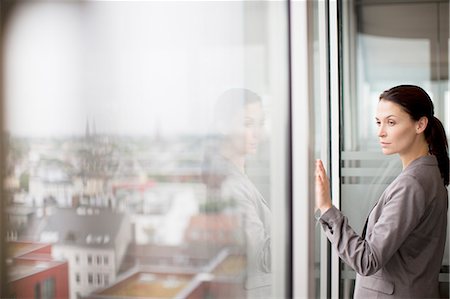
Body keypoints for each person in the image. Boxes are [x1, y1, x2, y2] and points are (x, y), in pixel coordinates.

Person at [315, 85, 449, 298]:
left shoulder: (413, 183)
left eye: (391, 122)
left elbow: (367, 261)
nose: (381, 132)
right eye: (378, 122)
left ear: (420, 124)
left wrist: (326, 208)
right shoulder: (427, 176)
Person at [202, 88, 271, 298]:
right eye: (248, 124)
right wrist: (305, 209)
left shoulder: (237, 175)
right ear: (223, 127)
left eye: (260, 123)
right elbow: (262, 257)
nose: (257, 133)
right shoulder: (231, 183)